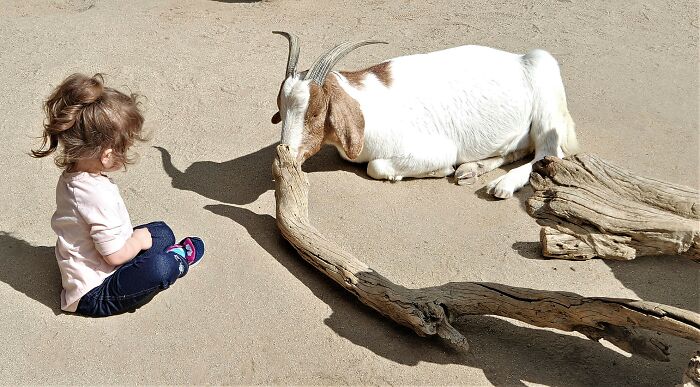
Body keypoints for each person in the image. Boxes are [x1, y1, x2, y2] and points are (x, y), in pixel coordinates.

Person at [32, 73, 204, 317]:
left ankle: (161, 254)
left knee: (161, 231)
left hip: (100, 258)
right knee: (160, 267)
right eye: (126, 147)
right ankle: (177, 262)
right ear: (107, 155)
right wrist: (137, 242)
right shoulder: (95, 196)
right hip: (94, 292)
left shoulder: (75, 175)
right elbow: (113, 256)